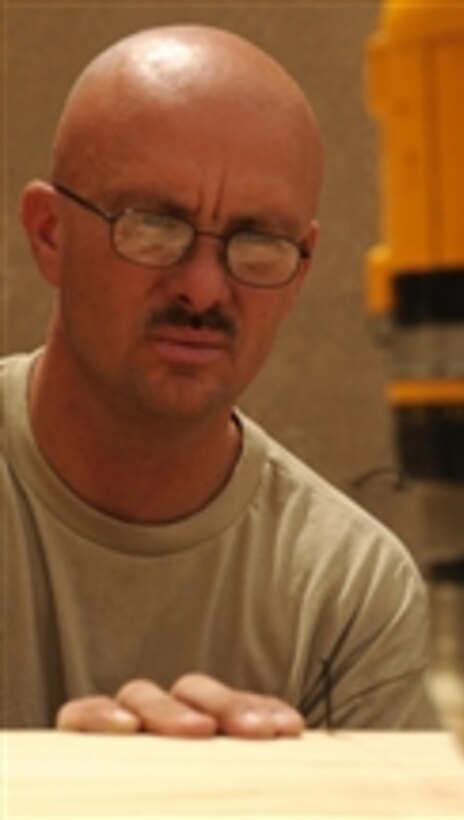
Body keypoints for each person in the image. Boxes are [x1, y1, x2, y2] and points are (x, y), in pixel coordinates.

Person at [1, 24, 436, 737]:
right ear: (50, 233)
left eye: (259, 241)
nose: (203, 289)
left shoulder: (348, 595)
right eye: (152, 224)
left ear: (301, 268)